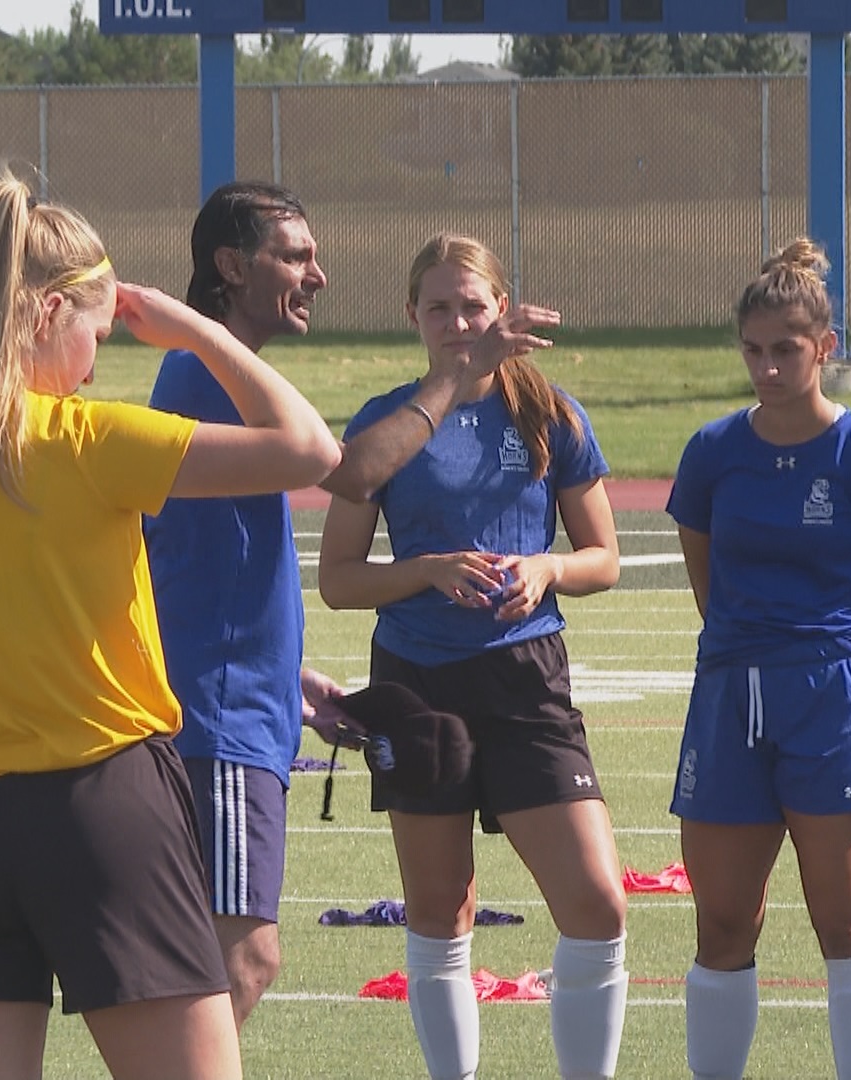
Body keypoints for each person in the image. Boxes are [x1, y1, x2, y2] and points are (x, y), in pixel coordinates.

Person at [0, 174, 340, 1079]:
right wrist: (197, 330)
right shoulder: (86, 441)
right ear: (51, 314)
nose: (98, 364)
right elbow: (311, 446)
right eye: (98, 336)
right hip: (107, 809)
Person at [316, 233, 626, 1080]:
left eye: (474, 305)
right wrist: (426, 571)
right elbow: (338, 581)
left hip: (528, 675)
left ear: (502, 309)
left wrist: (548, 567)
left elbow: (605, 557)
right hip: (416, 683)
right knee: (440, 909)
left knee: (597, 905)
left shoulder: (550, 414)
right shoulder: (386, 423)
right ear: (411, 315)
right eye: (440, 307)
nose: (459, 322)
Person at [667, 239, 851, 1080]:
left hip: (833, 701)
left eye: (787, 349)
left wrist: (830, 657)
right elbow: (708, 583)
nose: (768, 367)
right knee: (722, 927)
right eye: (753, 350)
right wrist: (759, 651)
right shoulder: (712, 451)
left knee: (845, 927)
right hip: (730, 694)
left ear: (824, 347)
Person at [142, 180, 351, 1028]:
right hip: (218, 725)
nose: (317, 275)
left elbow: (192, 564)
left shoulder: (210, 376)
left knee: (213, 961)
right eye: (296, 256)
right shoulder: (206, 373)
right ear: (232, 265)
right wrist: (456, 374)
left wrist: (286, 674)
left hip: (238, 706)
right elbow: (350, 469)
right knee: (241, 959)